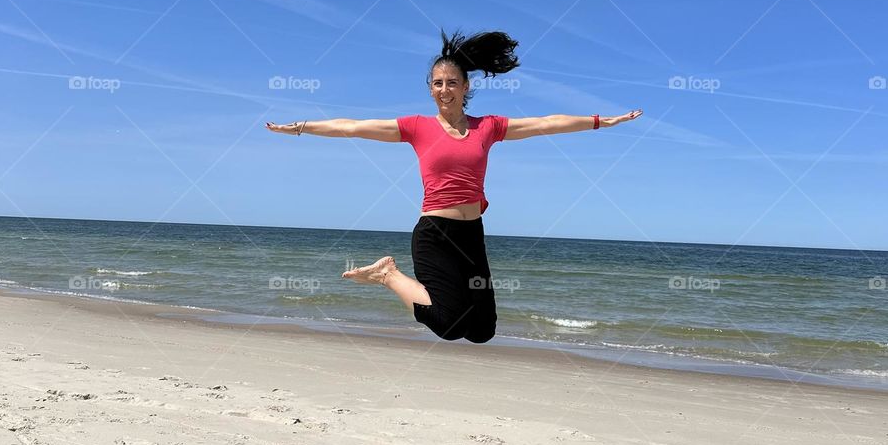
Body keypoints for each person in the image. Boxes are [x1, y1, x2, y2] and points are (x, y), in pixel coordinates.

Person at [266, 28, 643, 343]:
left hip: (471, 236)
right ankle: (387, 274)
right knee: (448, 325)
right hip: (435, 233)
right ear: (430, 90)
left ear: (465, 87)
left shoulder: (488, 127)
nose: (444, 89)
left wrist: (599, 121)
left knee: (482, 331)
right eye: (437, 83)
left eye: (451, 82)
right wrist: (301, 127)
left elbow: (546, 123)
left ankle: (398, 280)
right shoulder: (417, 127)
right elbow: (352, 126)